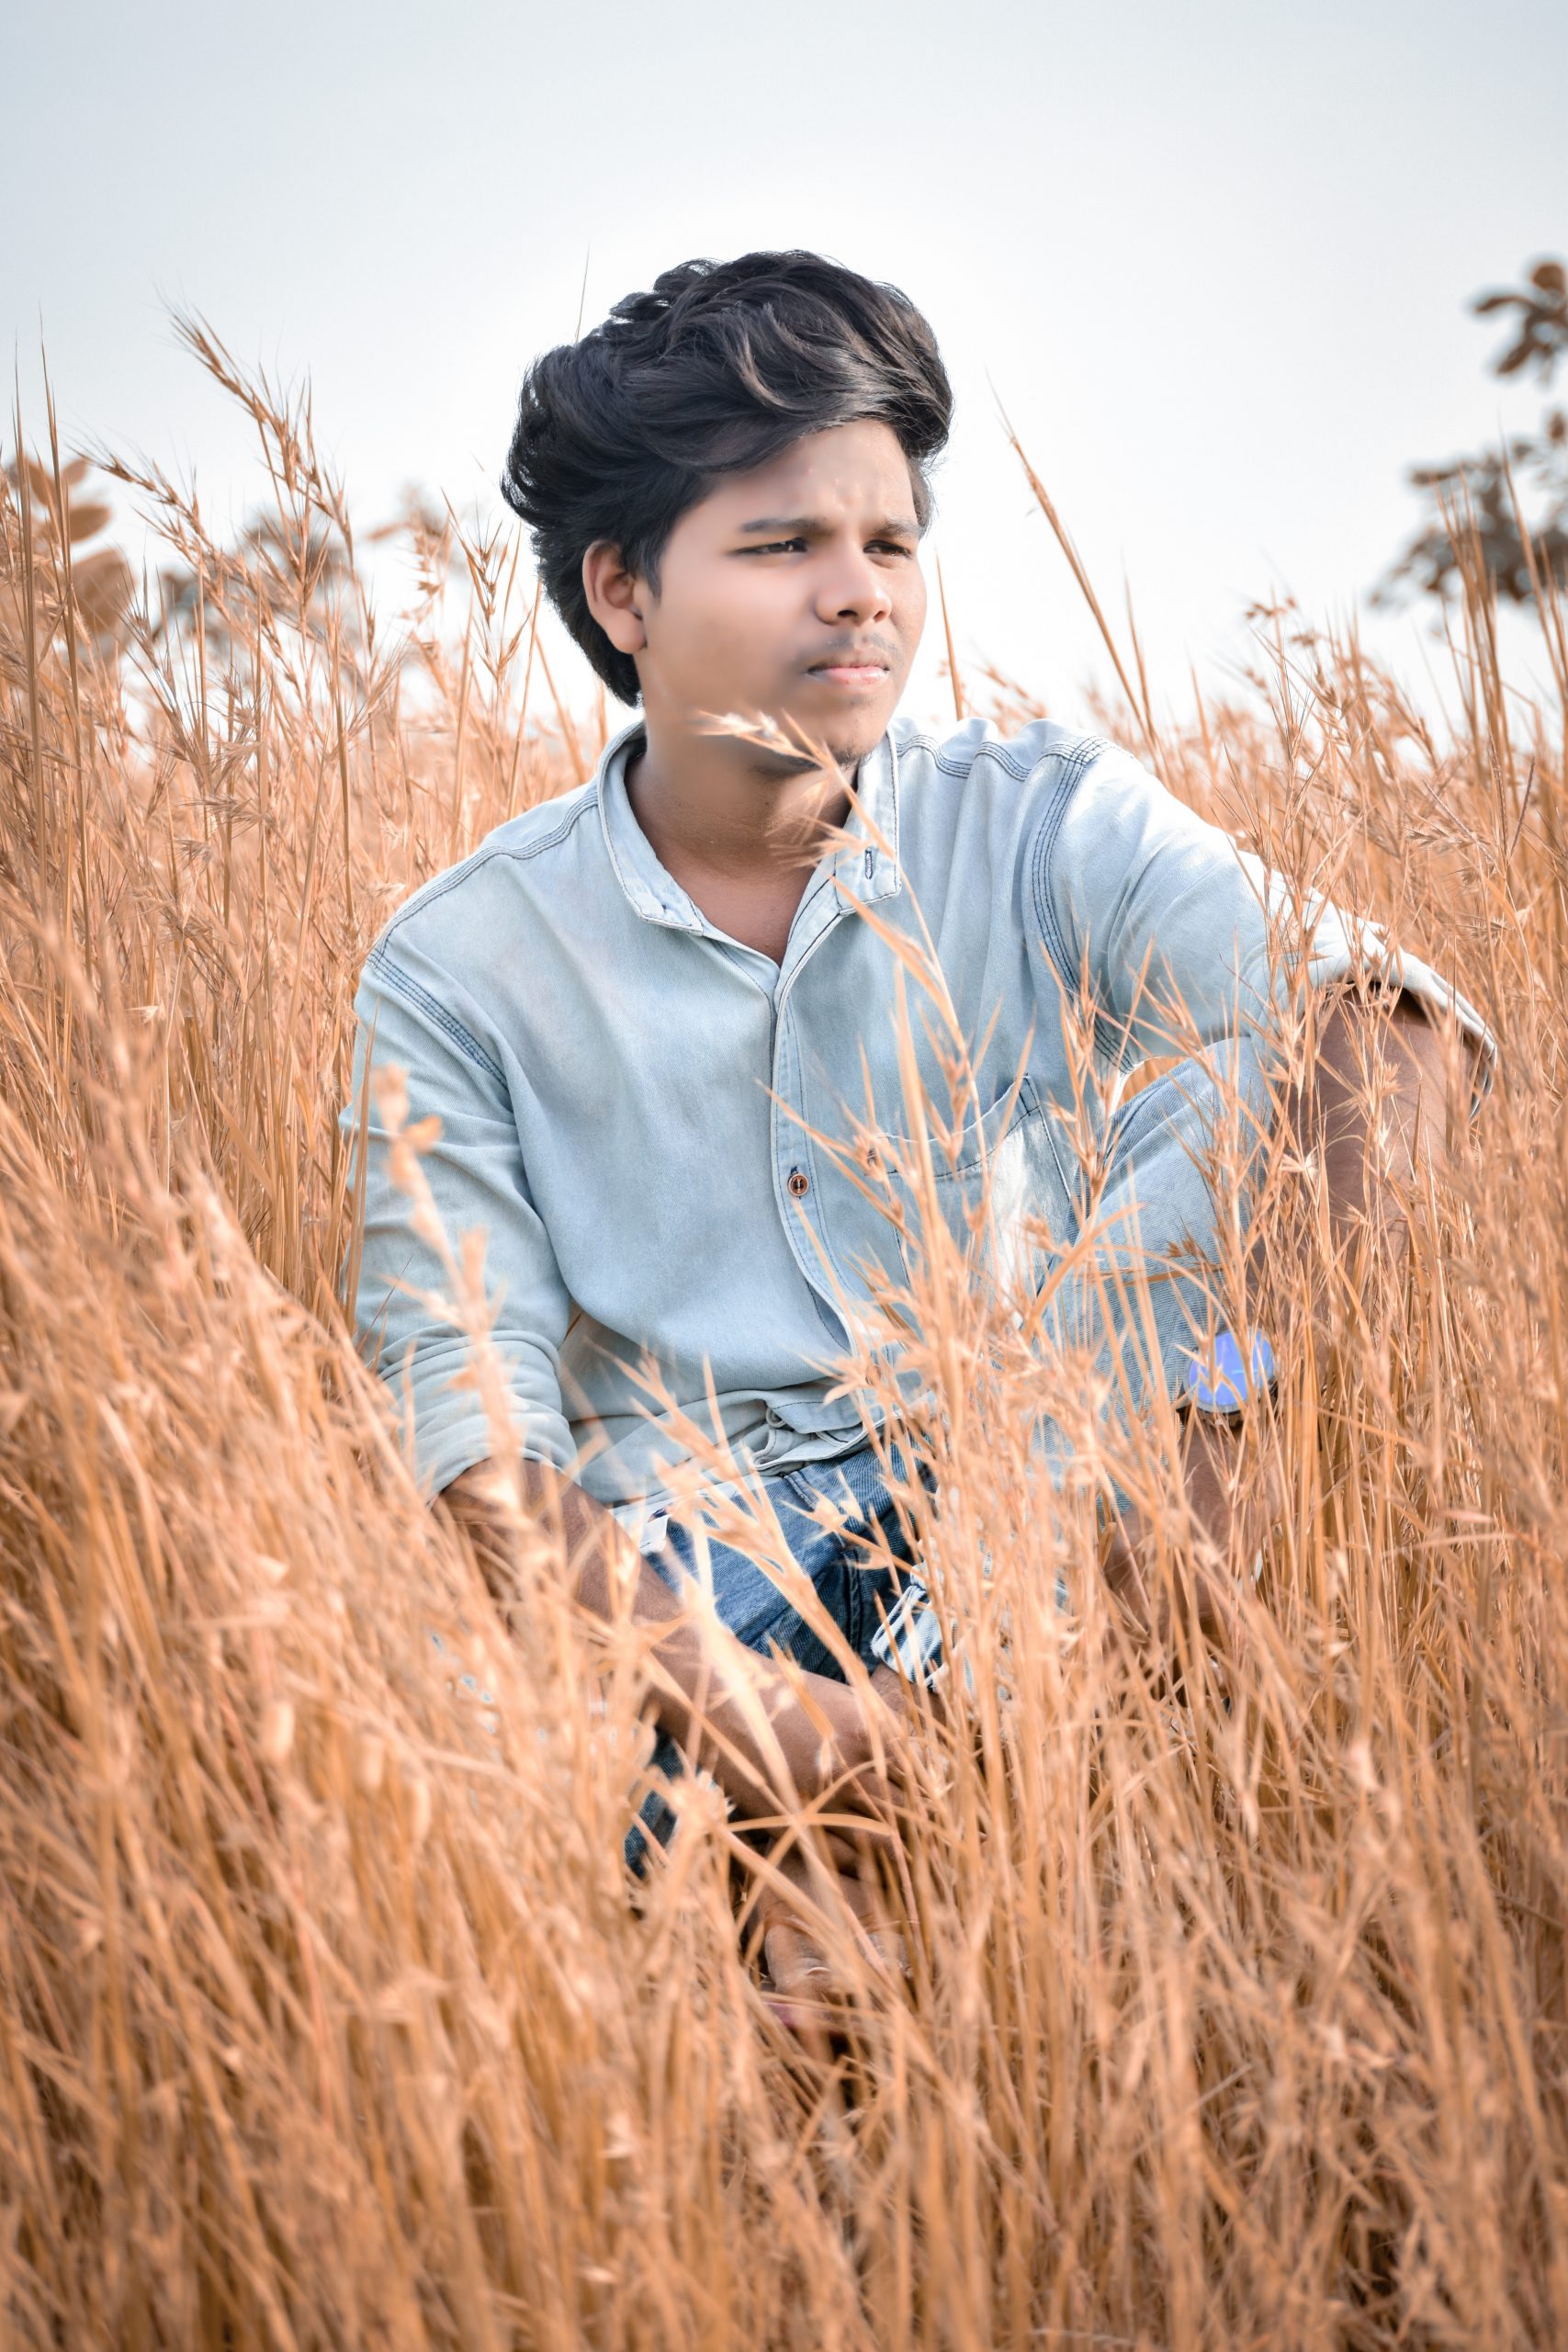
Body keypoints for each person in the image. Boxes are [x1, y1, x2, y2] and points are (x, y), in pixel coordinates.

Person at [341, 252, 1490, 1996]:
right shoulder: (462, 965)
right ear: (622, 592)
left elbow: (1402, 1038)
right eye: (785, 543)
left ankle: (1027, 1798)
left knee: (1287, 1053)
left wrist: (1219, 1416)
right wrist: (770, 1723)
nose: (860, 595)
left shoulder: (1034, 823)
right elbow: (484, 1445)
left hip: (1054, 1508)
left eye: (890, 542)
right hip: (700, 1584)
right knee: (834, 1964)